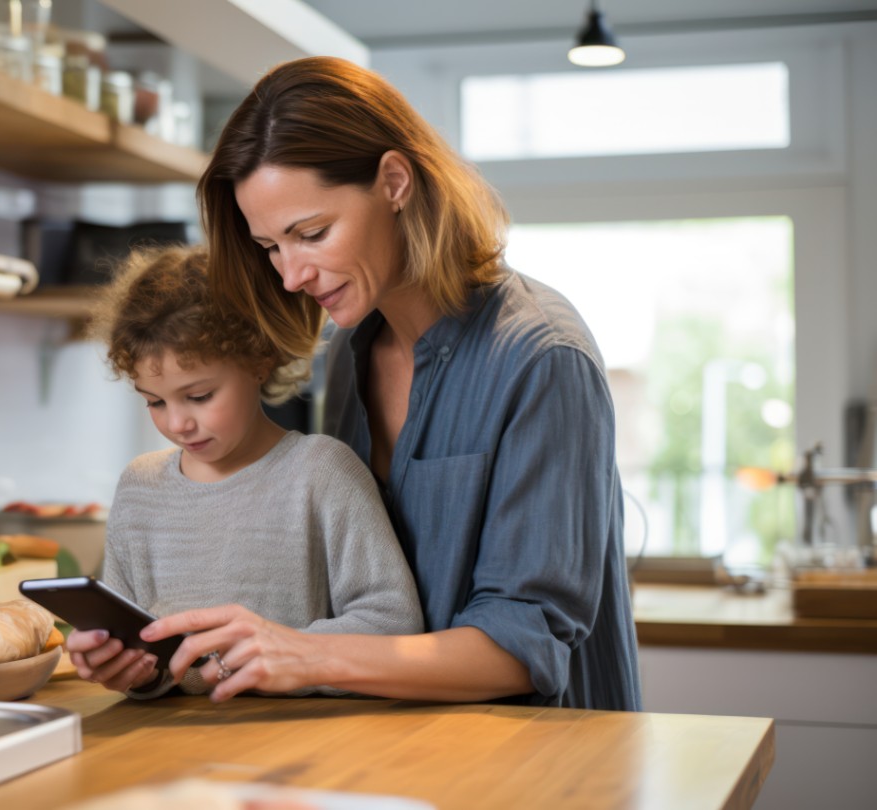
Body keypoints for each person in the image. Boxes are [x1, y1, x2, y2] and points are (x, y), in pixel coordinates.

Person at [120, 56, 642, 711]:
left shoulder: (541, 357)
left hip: (542, 759)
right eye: (270, 247)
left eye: (310, 233)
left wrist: (303, 651)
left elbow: (523, 645)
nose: (290, 275)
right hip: (403, 747)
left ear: (394, 181)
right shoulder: (350, 353)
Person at [67, 244, 423, 698]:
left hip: (304, 744)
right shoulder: (140, 486)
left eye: (199, 396)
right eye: (154, 401)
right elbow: (140, 650)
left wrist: (284, 653)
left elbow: (393, 622)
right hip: (174, 745)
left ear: (259, 360)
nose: (177, 424)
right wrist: (126, 670)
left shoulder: (322, 472)